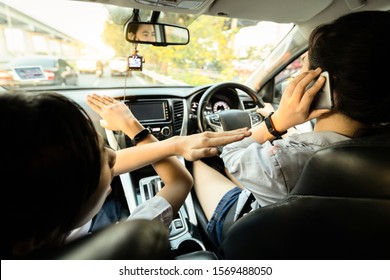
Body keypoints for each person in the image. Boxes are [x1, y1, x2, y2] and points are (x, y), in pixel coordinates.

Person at [193, 10, 390, 247]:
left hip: (252, 232)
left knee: (198, 162)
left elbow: (231, 154)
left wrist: (276, 122)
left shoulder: (284, 161)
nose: (297, 76)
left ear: (321, 86)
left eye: (303, 70)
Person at [0, 91, 251, 259]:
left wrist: (175, 144)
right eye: (104, 159)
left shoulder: (32, 222)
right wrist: (134, 127)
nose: (113, 157)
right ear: (65, 197)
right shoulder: (128, 242)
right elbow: (180, 180)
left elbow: (79, 170)